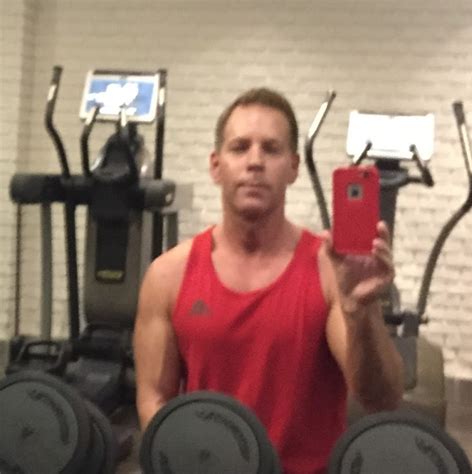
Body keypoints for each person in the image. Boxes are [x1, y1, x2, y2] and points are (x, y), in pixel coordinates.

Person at [133, 88, 404, 473]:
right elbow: (154, 398)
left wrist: (361, 311)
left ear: (293, 167)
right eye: (240, 147)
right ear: (216, 166)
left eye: (271, 149)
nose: (255, 161)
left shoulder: (328, 271)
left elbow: (382, 400)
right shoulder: (168, 275)